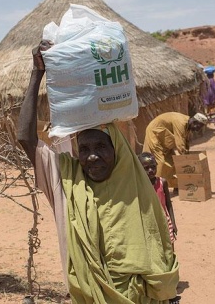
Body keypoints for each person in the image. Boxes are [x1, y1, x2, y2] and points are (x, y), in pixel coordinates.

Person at [17, 40, 180, 303]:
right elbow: (26, 139)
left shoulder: (137, 186)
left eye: (101, 146)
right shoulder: (67, 181)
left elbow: (159, 248)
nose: (92, 156)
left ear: (117, 148)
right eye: (84, 148)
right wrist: (37, 73)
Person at [138, 152, 181, 304]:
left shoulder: (162, 182)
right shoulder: (138, 186)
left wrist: (173, 223)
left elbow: (169, 204)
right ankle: (156, 289)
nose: (150, 171)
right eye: (146, 168)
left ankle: (171, 291)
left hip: (165, 223)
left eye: (152, 167)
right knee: (154, 256)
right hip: (149, 226)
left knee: (169, 255)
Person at [142, 112, 208, 194]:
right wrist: (189, 161)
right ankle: (155, 188)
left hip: (164, 141)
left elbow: (185, 142)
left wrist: (188, 155)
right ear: (195, 122)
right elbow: (180, 144)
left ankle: (177, 185)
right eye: (199, 126)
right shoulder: (180, 122)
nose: (198, 130)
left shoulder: (187, 124)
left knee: (172, 163)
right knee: (160, 163)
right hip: (154, 135)